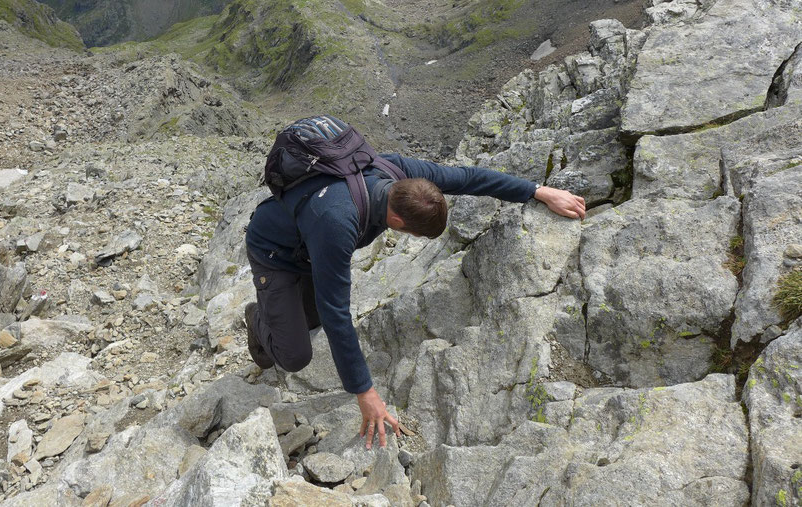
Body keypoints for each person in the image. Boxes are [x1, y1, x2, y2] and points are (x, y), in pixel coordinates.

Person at [244, 152, 585, 449]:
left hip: (310, 248)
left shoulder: (399, 174)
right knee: (295, 355)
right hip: (275, 252)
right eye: (414, 233)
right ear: (396, 221)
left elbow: (469, 178)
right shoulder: (337, 221)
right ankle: (257, 320)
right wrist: (365, 393)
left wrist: (538, 191)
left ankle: (281, 314)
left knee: (310, 321)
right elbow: (337, 313)